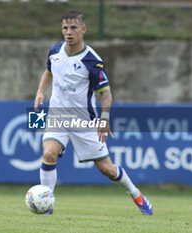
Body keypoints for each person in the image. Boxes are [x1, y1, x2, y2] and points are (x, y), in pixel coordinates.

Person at [34, 10, 153, 215]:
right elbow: (49, 72)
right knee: (48, 153)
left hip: (84, 122)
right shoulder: (55, 51)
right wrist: (40, 92)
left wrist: (104, 119)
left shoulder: (92, 60)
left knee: (107, 169)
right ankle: (47, 206)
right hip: (57, 116)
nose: (68, 32)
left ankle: (136, 195)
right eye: (65, 28)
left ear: (83, 30)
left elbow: (105, 94)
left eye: (73, 28)